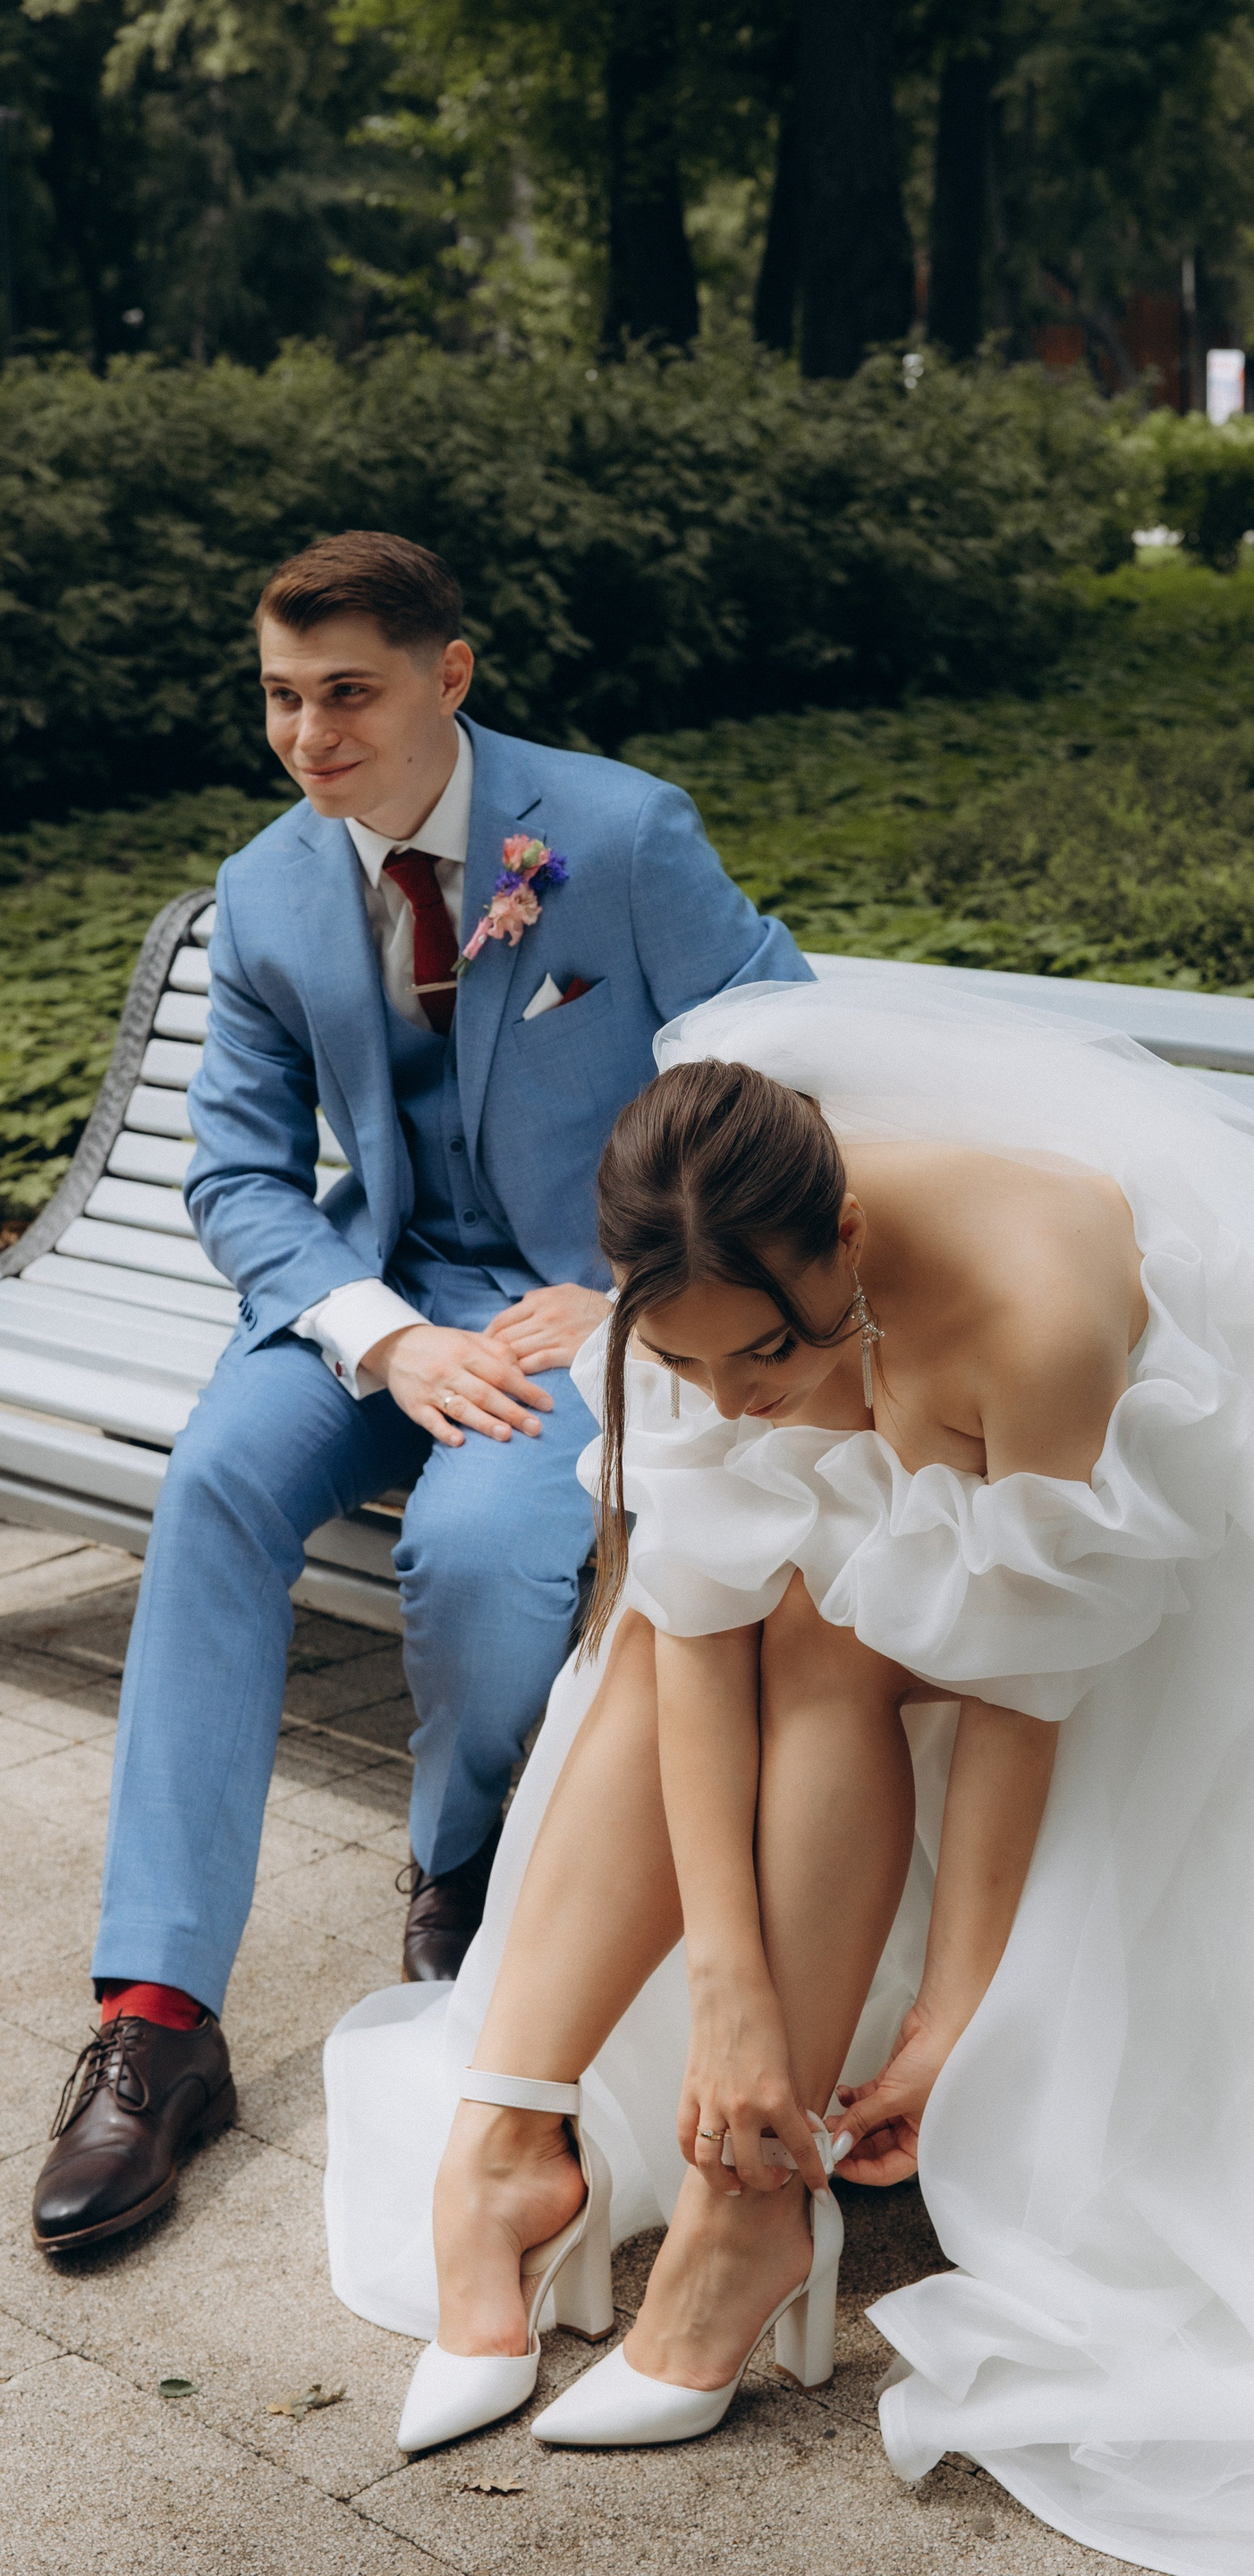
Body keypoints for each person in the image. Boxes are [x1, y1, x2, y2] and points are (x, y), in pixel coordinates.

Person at [326, 975, 1254, 2576]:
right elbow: (692, 1623)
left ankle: (743, 2217)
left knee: (825, 1642)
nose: (737, 1398)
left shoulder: (1033, 1308)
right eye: (694, 1365)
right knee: (678, 1630)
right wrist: (729, 1994)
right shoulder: (693, 1271)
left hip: (1191, 1584)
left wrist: (951, 2016)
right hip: (923, 1559)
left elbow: (1016, 1686)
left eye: (767, 1351)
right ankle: (509, 2136)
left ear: (849, 1236)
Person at [30, 532, 811, 2260]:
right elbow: (238, 1176)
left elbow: (783, 1057)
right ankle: (156, 2018)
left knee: (472, 1549)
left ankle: (457, 1870)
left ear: (450, 676)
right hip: (381, 1300)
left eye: (347, 695)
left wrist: (636, 1293)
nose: (308, 737)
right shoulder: (266, 887)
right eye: (279, 698)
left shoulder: (617, 831)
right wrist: (383, 1336)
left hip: (581, 1313)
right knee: (215, 1485)